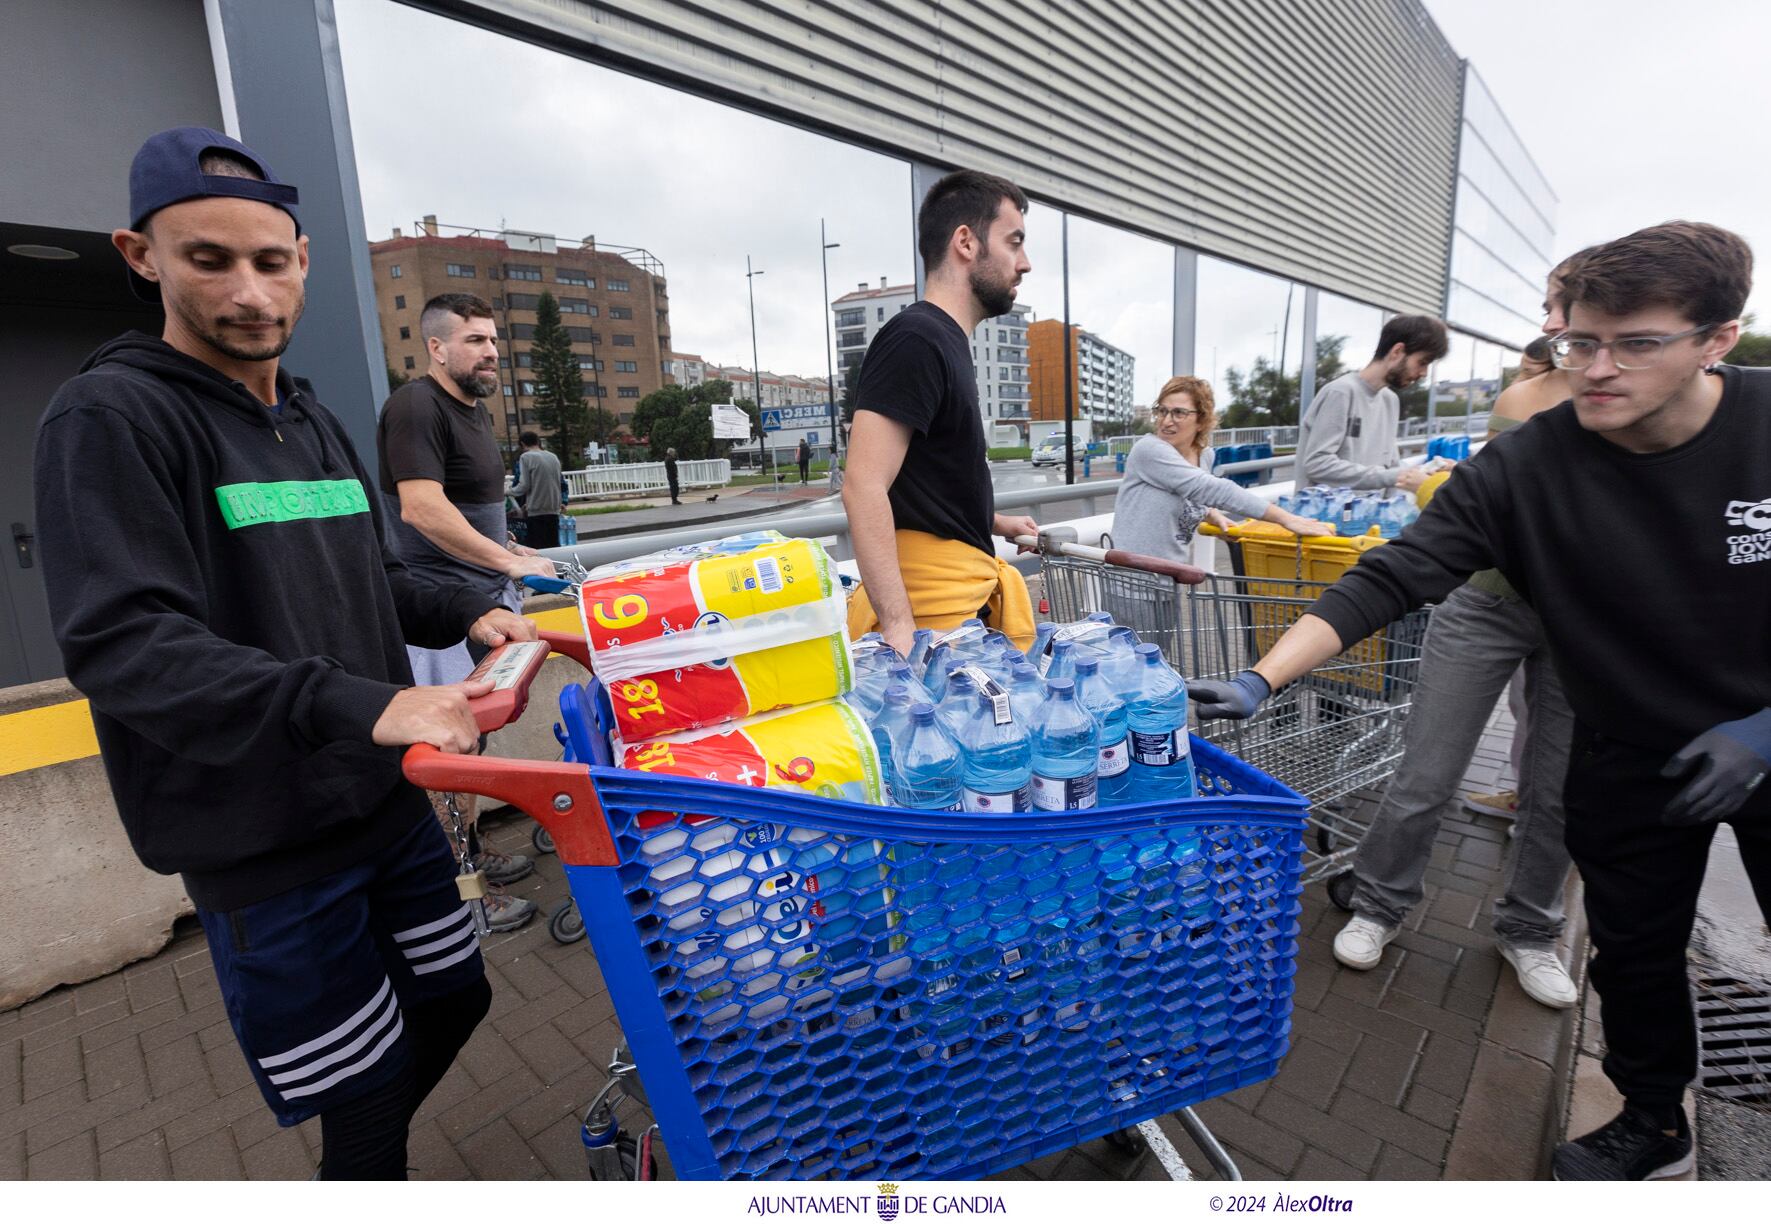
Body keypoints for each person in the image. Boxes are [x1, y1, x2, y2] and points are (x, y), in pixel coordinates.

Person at [1189, 222, 1771, 1181]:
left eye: (1635, 343)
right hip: (1629, 746)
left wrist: (1762, 729)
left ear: (1716, 338)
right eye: (1580, 342)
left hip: (1758, 732)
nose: (1596, 370)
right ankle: (1652, 1119)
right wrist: (1263, 677)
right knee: (1633, 947)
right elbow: (1394, 575)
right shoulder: (1532, 462)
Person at [32, 127, 538, 1179]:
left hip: (382, 801)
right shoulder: (110, 416)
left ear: (303, 260)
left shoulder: (308, 417)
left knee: (457, 996)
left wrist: (469, 612)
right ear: (141, 256)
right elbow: (125, 644)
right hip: (265, 840)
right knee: (360, 1097)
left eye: (270, 261)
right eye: (208, 260)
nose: (250, 293)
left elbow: (375, 575)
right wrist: (362, 704)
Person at [1329, 255, 1594, 1010]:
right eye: (1549, 307)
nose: (1547, 323)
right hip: (1488, 599)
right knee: (1427, 770)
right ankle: (1378, 902)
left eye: (1560, 305)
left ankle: (1531, 929)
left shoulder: (1643, 407)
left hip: (1581, 618)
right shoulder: (1522, 401)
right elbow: (1495, 505)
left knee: (1557, 788)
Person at [378, 292, 556, 931]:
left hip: (481, 607)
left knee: (474, 743)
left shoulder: (472, 412)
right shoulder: (416, 406)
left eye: (493, 340)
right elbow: (421, 508)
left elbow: (465, 508)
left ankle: (473, 855)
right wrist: (505, 563)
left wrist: (510, 548)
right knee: (449, 753)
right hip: (439, 615)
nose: (490, 352)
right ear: (436, 347)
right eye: (474, 340)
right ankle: (461, 896)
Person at [843, 170, 1041, 658]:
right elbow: (863, 485)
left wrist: (994, 521)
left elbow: (923, 486)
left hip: (953, 610)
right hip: (933, 623)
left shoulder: (943, 341)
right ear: (966, 243)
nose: (1024, 264)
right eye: (1014, 242)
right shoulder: (917, 339)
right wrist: (899, 627)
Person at [1113, 375, 1331, 566]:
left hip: (1170, 576)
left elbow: (1190, 493)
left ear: (1201, 420)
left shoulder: (1204, 455)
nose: (1167, 421)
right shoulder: (1149, 450)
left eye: (1179, 413)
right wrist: (1286, 519)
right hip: (1133, 580)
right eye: (1162, 411)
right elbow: (1208, 488)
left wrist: (1211, 513)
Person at [1295, 316, 1450, 492]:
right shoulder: (1341, 392)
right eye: (1422, 362)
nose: (1424, 373)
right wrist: (1394, 476)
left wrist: (1411, 477)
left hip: (1372, 509)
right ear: (1397, 351)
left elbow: (1390, 464)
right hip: (1322, 509)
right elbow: (1317, 464)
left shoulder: (1390, 400)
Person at [509, 430, 564, 550]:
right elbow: (557, 482)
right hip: (554, 509)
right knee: (553, 546)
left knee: (538, 548)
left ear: (522, 444)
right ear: (538, 441)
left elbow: (524, 486)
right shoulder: (553, 457)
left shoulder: (526, 457)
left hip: (536, 510)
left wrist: (507, 491)